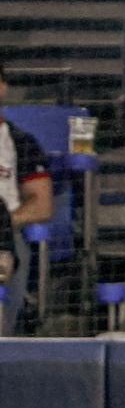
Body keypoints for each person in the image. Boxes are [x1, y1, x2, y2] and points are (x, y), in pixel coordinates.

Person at [0, 62, 54, 334]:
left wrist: (4, 223)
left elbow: (42, 206)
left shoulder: (21, 142)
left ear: (2, 87)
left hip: (5, 239)